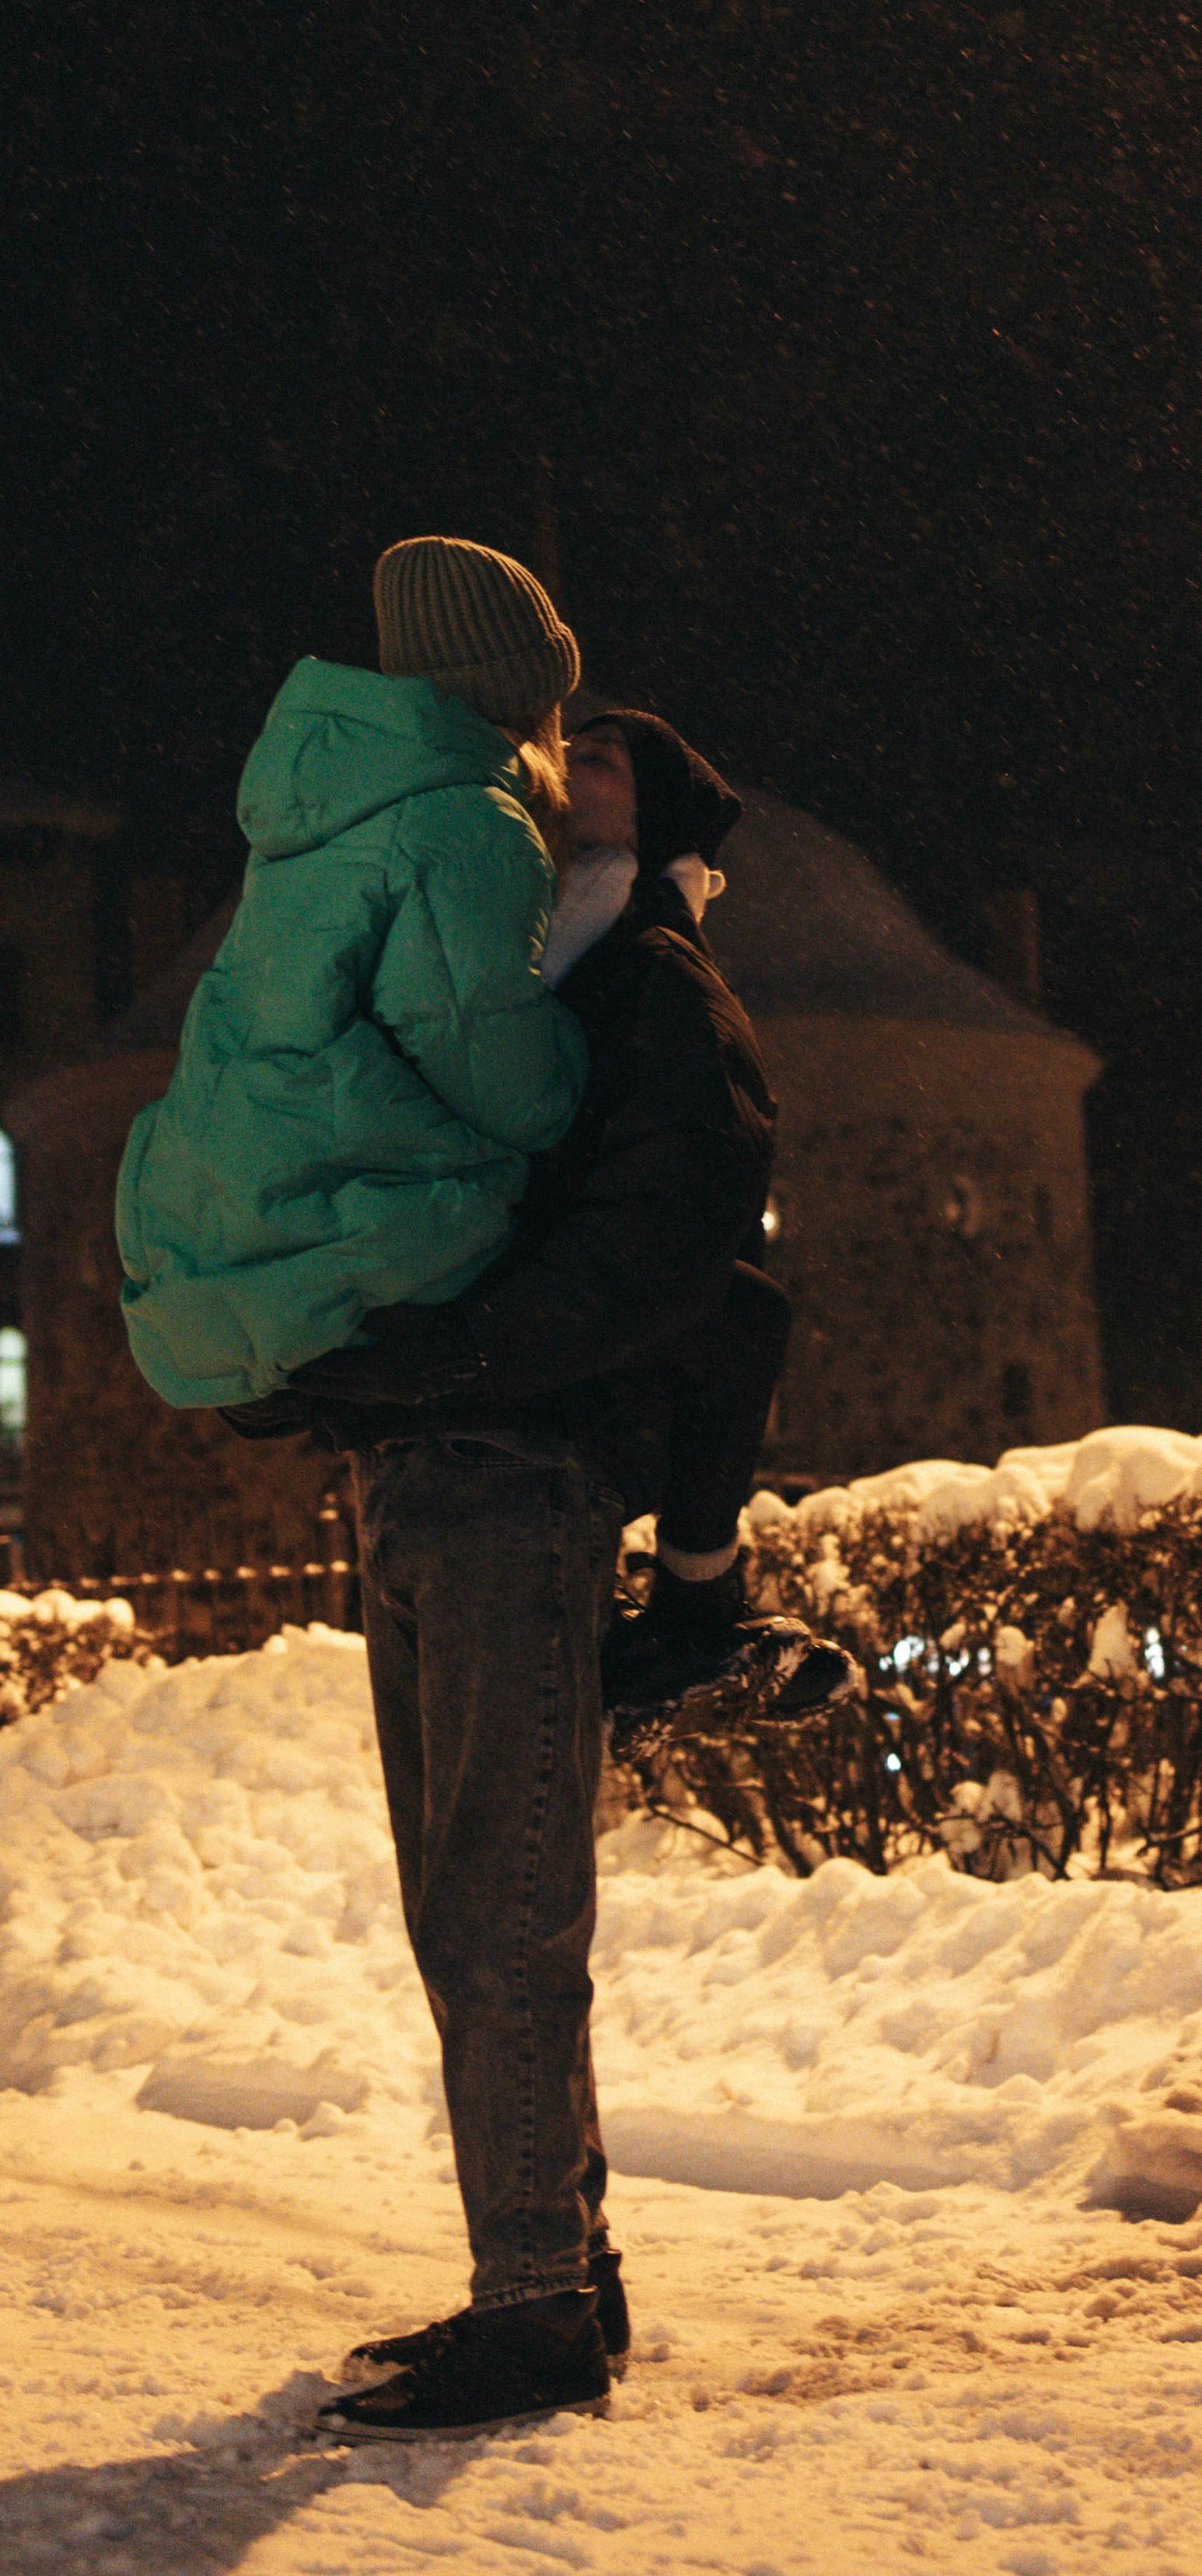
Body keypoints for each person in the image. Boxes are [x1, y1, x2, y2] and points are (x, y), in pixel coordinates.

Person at [281, 693, 854, 2443]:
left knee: (503, 1912)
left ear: (665, 811)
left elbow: (687, 1265)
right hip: (427, 1478)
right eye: (559, 754)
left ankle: (533, 2309)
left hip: (517, 1476)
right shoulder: (519, 983)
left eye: (601, 761)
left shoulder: (650, 989)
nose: (561, 771)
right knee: (463, 1907)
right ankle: (558, 2271)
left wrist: (455, 1372)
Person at [116, 537, 589, 1410]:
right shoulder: (471, 822)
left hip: (242, 1196)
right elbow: (498, 1076)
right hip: (371, 1213)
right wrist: (593, 1044)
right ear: (526, 686)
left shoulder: (325, 801)